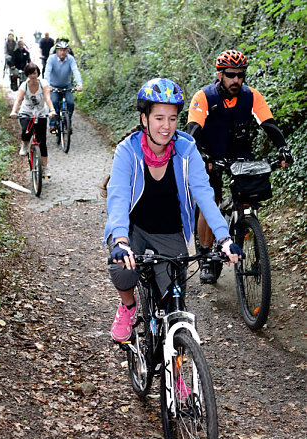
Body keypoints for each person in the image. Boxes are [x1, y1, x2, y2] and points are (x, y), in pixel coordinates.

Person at [103, 78, 243, 343]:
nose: (166, 126)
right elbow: (119, 198)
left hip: (168, 231)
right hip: (133, 228)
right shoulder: (127, 151)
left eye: (172, 118)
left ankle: (175, 372)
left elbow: (204, 195)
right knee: (122, 268)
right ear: (144, 119)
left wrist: (224, 239)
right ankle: (129, 306)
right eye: (158, 118)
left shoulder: (187, 149)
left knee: (175, 309)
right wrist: (121, 239)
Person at [186, 49, 294, 284]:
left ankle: (248, 229)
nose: (236, 80)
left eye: (240, 75)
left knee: (249, 192)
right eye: (231, 75)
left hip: (239, 152)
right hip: (209, 154)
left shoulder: (251, 96)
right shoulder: (204, 96)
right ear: (220, 74)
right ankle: (206, 254)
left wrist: (283, 148)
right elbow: (192, 131)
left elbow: (269, 123)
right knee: (210, 201)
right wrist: (200, 155)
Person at [10, 62, 56, 178]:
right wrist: (14, 111)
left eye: (34, 73)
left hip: (40, 112)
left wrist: (52, 110)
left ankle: (44, 168)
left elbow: (47, 98)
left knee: (42, 142)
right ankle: (25, 144)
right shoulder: (24, 86)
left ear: (38, 73)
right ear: (27, 74)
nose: (33, 76)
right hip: (26, 112)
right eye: (30, 74)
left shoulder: (43, 84)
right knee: (26, 130)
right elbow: (18, 100)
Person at [44, 40, 83, 133]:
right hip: (53, 86)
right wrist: (47, 84)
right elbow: (47, 72)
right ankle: (53, 124)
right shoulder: (51, 59)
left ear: (68, 51)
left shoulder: (70, 59)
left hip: (66, 85)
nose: (62, 52)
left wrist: (79, 84)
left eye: (65, 50)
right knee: (53, 102)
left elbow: (75, 71)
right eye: (60, 50)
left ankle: (67, 121)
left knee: (70, 103)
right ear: (57, 51)